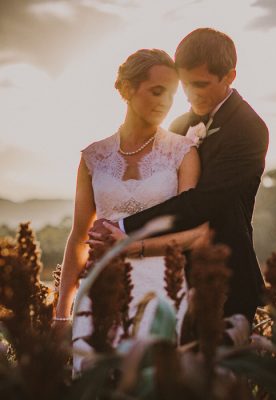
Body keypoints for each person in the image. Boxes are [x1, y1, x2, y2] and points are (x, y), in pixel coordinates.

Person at [90, 28, 269, 324]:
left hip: (226, 278)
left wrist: (124, 226)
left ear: (230, 77)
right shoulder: (180, 123)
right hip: (169, 276)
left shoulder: (249, 129)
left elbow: (202, 203)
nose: (190, 94)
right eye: (184, 84)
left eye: (200, 85)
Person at [55, 48, 206, 372]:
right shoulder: (93, 157)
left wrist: (130, 248)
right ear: (127, 89)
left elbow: (196, 233)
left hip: (161, 289)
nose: (165, 101)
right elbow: (79, 235)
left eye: (171, 94)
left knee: (148, 382)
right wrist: (62, 312)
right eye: (156, 91)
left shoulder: (182, 152)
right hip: (100, 287)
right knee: (93, 380)